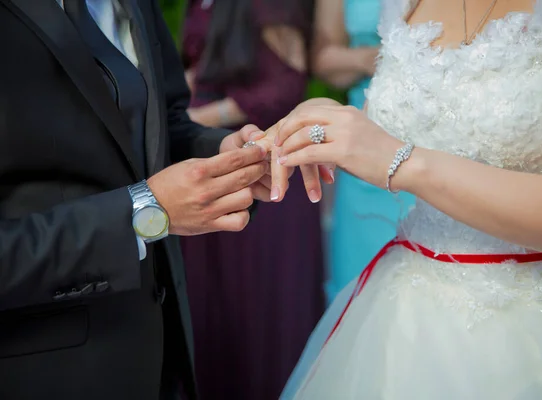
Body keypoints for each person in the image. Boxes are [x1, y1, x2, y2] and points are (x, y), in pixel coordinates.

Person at [267, 0, 542, 397]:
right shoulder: (404, 6)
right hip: (403, 316)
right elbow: (388, 132)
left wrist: (406, 164)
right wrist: (320, 118)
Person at [0, 0, 315, 398]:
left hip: (158, 349)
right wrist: (147, 211)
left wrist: (227, 154)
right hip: (45, 368)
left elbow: (163, 124)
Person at [179, 1, 326, 398]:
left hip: (259, 169)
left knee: (260, 312)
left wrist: (197, 117)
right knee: (214, 312)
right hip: (209, 168)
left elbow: (288, 84)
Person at [311, 0, 416, 303]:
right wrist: (370, 59)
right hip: (366, 150)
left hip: (443, 143)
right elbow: (322, 57)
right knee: (361, 290)